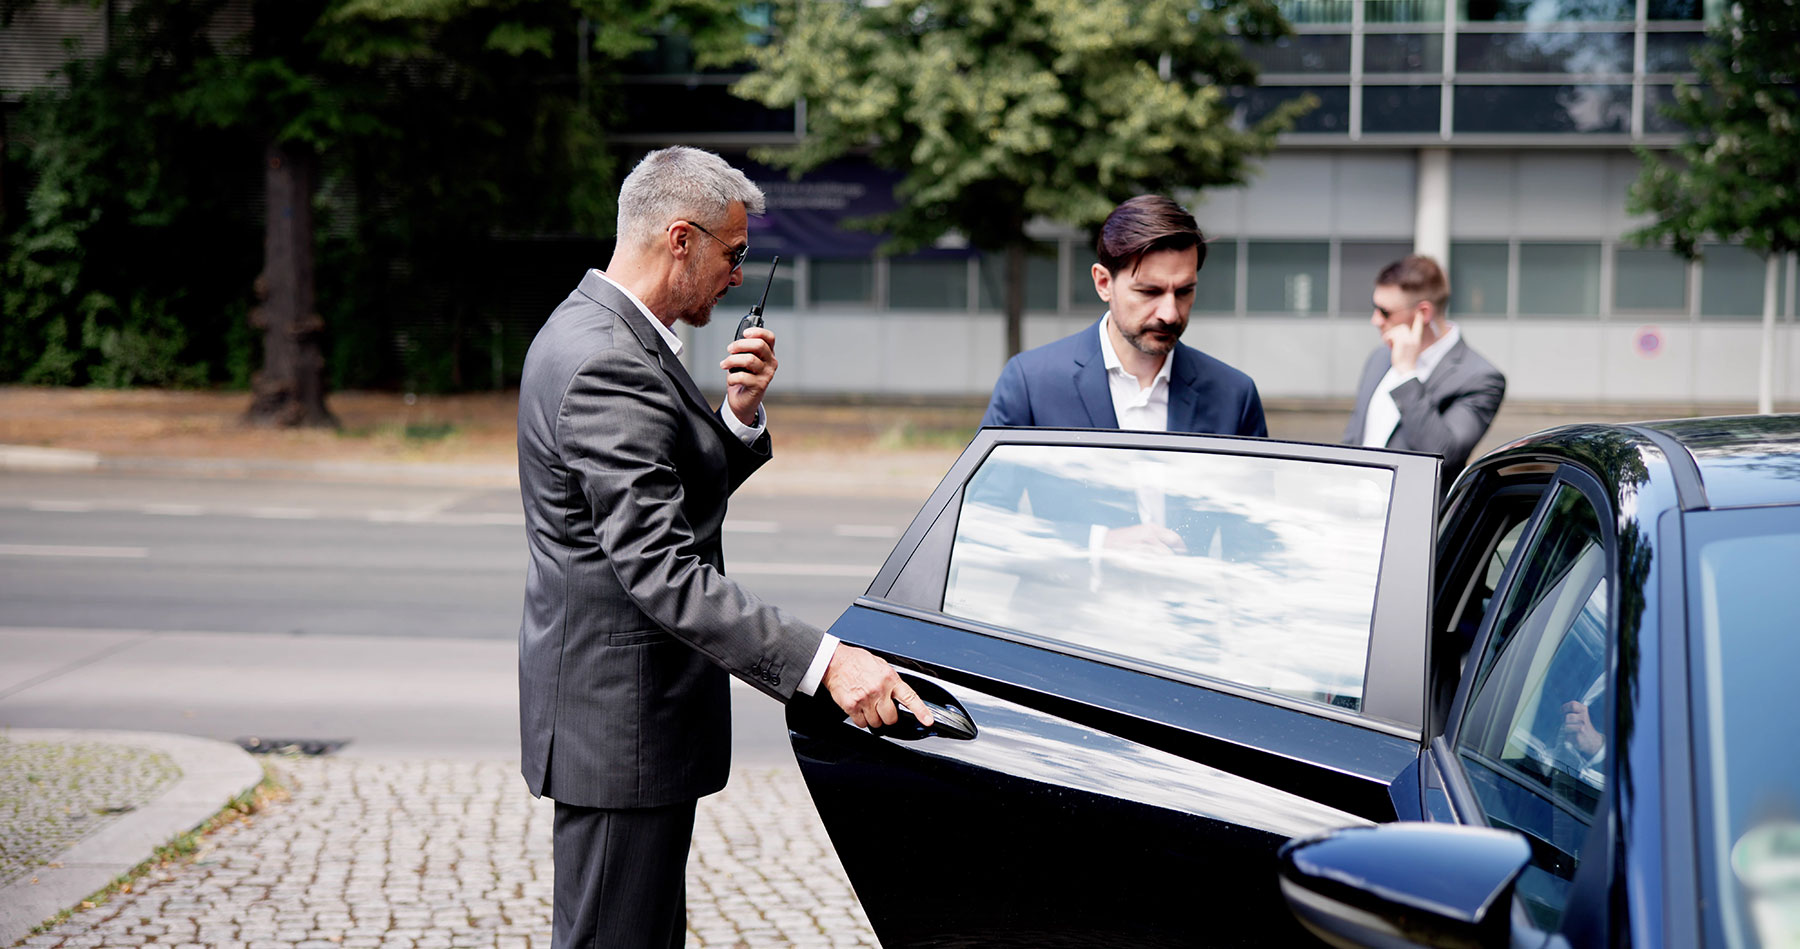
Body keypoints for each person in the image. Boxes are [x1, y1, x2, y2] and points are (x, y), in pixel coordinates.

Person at [515, 146, 930, 949]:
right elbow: (662, 567)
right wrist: (826, 663)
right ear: (681, 238)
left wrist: (736, 415)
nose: (738, 276)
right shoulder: (607, 361)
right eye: (732, 254)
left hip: (626, 724)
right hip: (620, 728)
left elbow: (659, 503)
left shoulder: (599, 330)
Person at [979, 195, 1266, 437]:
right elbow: (984, 502)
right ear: (1103, 283)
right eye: (1149, 291)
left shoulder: (1234, 397)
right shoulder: (1030, 384)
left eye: (1183, 291)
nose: (1169, 314)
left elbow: (1256, 503)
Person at [1343, 254, 1506, 486]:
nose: (1375, 320)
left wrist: (1407, 374)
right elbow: (1353, 438)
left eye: (1385, 311)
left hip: (1410, 517)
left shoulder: (1480, 378)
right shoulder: (1380, 357)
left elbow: (1444, 453)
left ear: (1423, 313)